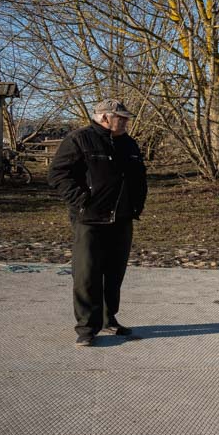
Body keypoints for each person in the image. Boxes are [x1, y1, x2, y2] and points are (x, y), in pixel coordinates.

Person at [48, 99, 147, 348]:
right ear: (104, 117)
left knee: (114, 273)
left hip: (122, 217)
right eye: (120, 117)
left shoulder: (128, 143)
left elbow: (139, 175)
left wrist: (137, 203)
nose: (125, 122)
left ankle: (108, 318)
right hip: (90, 218)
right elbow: (58, 174)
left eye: (126, 118)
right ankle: (86, 327)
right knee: (87, 273)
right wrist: (81, 200)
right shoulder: (79, 139)